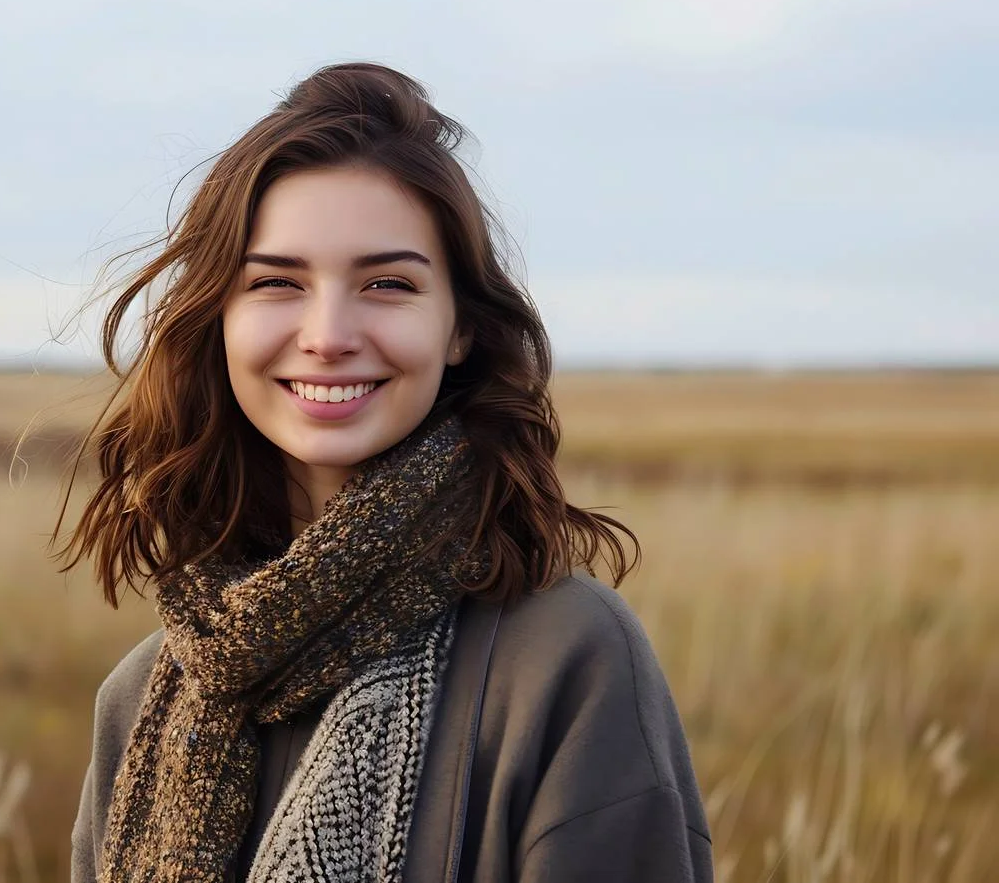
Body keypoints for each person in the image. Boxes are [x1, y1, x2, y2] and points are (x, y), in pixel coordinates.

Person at [53, 61, 712, 883]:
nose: (328, 333)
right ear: (219, 319)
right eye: (276, 283)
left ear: (461, 328)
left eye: (387, 283)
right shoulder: (141, 696)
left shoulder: (565, 658)